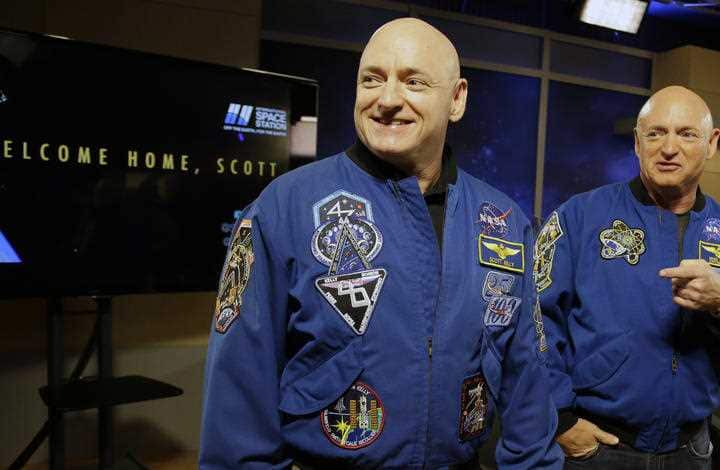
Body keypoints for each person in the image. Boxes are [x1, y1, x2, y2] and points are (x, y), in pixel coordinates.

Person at [200, 18, 562, 469]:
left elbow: (527, 380)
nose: (387, 99)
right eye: (372, 79)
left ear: (456, 99)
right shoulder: (284, 207)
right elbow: (239, 394)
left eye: (414, 82)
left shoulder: (504, 223)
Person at [535, 85, 720, 469]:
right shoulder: (579, 217)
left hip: (690, 452)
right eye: (655, 133)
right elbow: (532, 322)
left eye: (686, 133)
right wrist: (557, 419)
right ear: (637, 143)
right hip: (597, 449)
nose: (669, 147)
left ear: (710, 144)